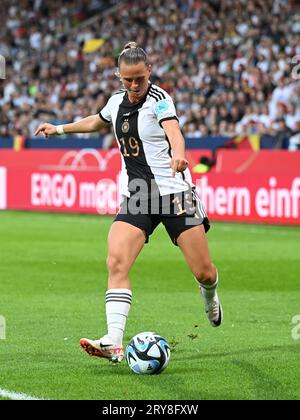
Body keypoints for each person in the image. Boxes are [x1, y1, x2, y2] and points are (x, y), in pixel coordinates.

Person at [35, 42, 223, 363]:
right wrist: (59, 129)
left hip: (174, 193)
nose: (135, 86)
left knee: (204, 272)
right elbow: (97, 120)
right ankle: (113, 340)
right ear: (118, 76)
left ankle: (210, 296)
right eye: (128, 80)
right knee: (116, 261)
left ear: (149, 71)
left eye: (140, 79)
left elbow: (174, 131)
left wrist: (179, 153)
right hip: (137, 195)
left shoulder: (160, 100)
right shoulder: (115, 102)